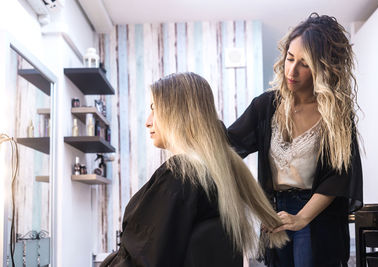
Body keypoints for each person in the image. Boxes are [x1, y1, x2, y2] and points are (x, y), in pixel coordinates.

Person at [101, 72, 288, 267]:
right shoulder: (212, 174)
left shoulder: (180, 176)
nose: (148, 121)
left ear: (178, 114)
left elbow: (145, 258)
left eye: (155, 109)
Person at [227, 13, 363, 267]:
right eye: (290, 58)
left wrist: (301, 218)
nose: (292, 70)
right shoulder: (265, 106)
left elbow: (340, 175)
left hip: (317, 216)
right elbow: (228, 145)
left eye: (305, 63)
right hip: (276, 214)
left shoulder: (336, 114)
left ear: (323, 67)